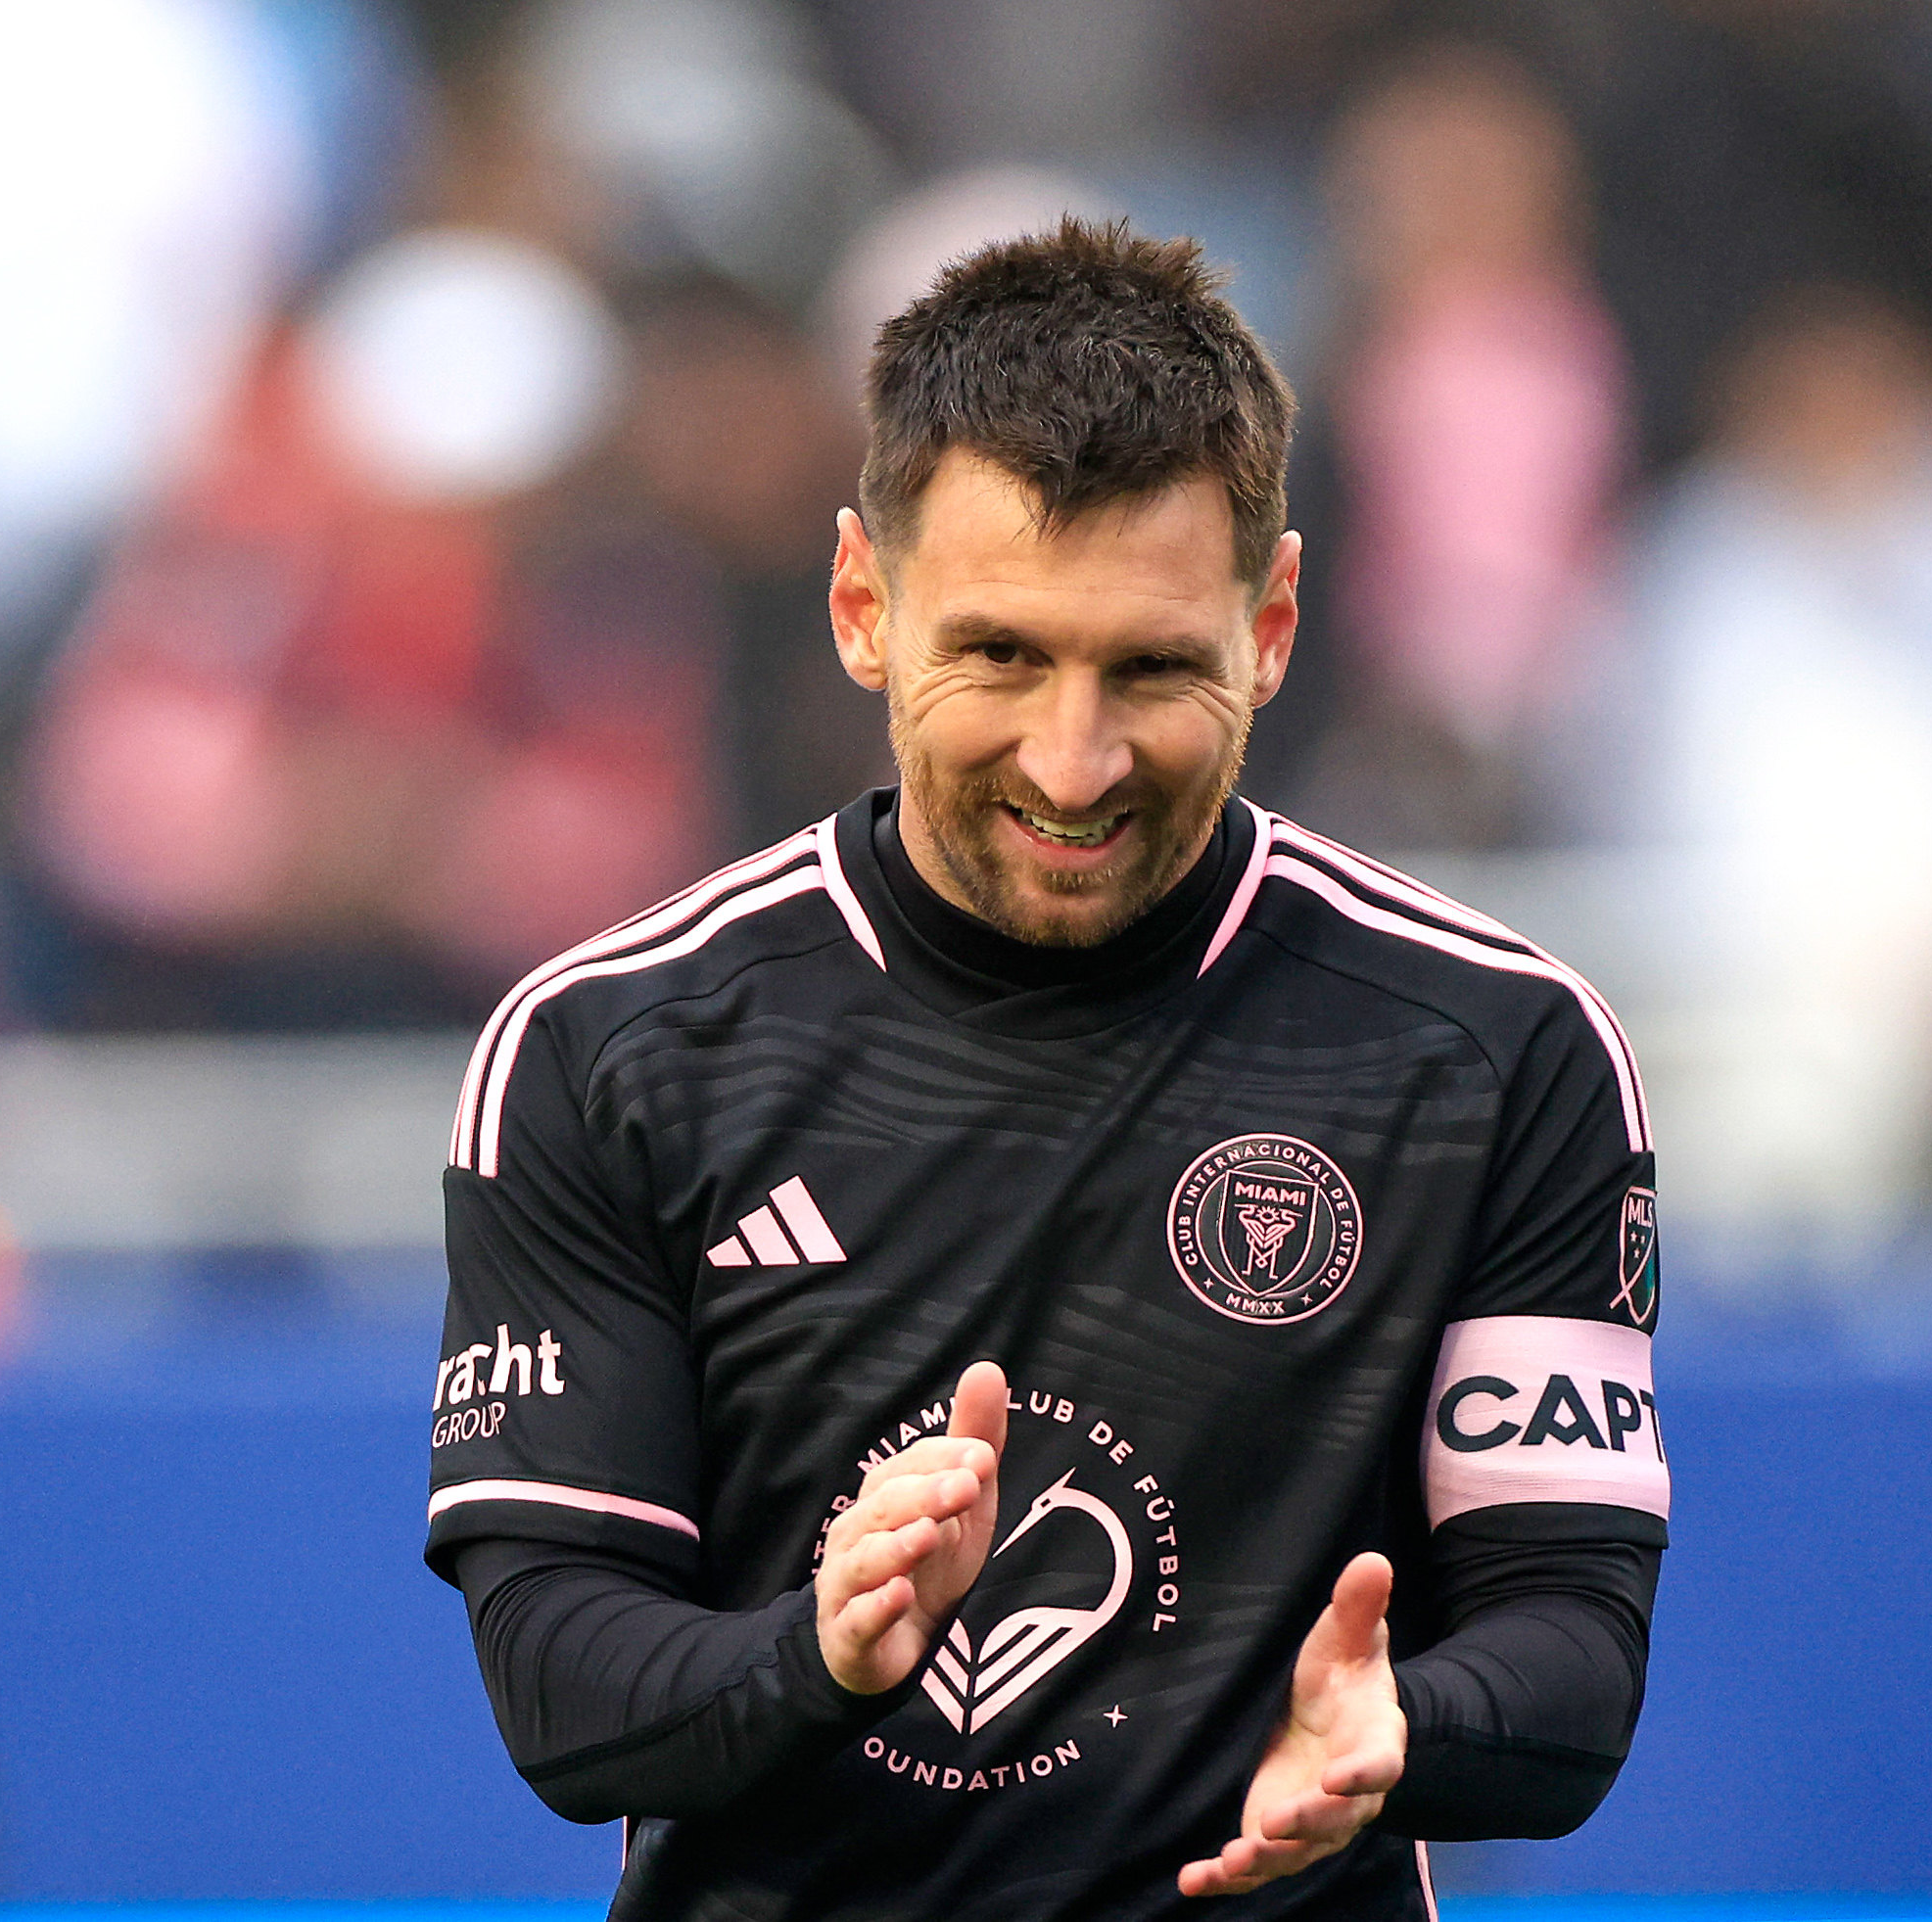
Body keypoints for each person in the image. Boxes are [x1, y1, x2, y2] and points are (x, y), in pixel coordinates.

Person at [427, 218, 1664, 1918]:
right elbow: (565, 1691)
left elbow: (1571, 1649)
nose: (1071, 762)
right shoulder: (609, 1052)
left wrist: (1403, 1725)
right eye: (999, 654)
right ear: (864, 604)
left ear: (1275, 624)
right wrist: (823, 1653)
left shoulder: (1490, 1052)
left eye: (1151, 668)